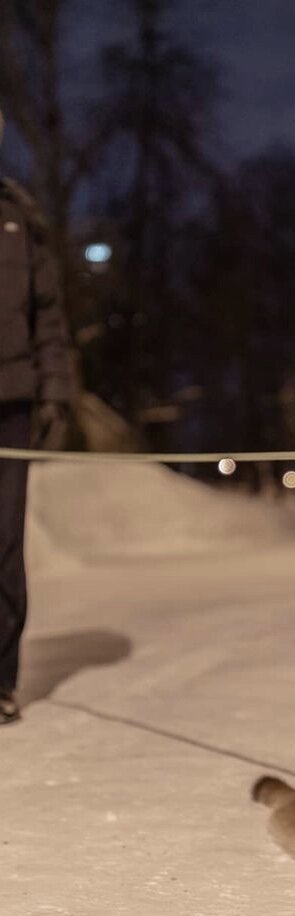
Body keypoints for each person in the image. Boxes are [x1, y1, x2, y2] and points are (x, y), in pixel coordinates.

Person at [1, 109, 74, 724]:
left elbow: (48, 316)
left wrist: (56, 391)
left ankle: (0, 681)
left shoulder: (21, 218)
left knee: (3, 544)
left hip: (11, 404)